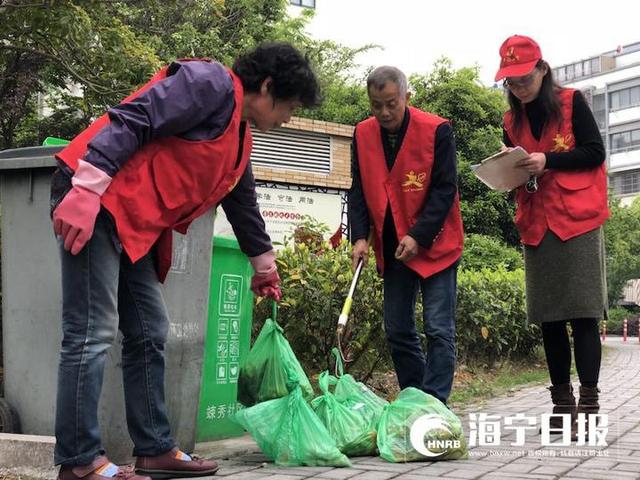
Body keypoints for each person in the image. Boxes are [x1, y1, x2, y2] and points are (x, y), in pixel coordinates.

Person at [50, 42, 320, 480]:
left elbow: (242, 202)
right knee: (91, 331)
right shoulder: (210, 84)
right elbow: (135, 116)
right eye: (288, 107)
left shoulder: (240, 134)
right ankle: (80, 462)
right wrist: (85, 188)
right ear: (267, 87)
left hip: (133, 222)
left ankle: (155, 448)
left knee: (149, 330)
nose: (287, 118)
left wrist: (264, 265)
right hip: (95, 199)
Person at [495, 35, 608, 436]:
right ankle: (562, 404)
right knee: (549, 318)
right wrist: (508, 171)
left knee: (583, 314)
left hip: (577, 220)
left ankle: (589, 402)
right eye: (510, 82)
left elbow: (595, 153)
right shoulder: (512, 121)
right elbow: (518, 168)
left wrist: (548, 160)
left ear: (542, 70)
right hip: (537, 221)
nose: (518, 88)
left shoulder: (572, 101)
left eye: (524, 78)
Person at [348, 66, 464, 405]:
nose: (384, 112)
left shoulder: (437, 130)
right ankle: (416, 400)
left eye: (391, 104)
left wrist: (418, 235)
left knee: (439, 329)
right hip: (392, 244)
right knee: (398, 329)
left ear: (406, 98)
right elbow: (358, 191)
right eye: (376, 105)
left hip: (436, 243)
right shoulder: (362, 133)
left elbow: (445, 189)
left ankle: (436, 404)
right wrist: (359, 238)